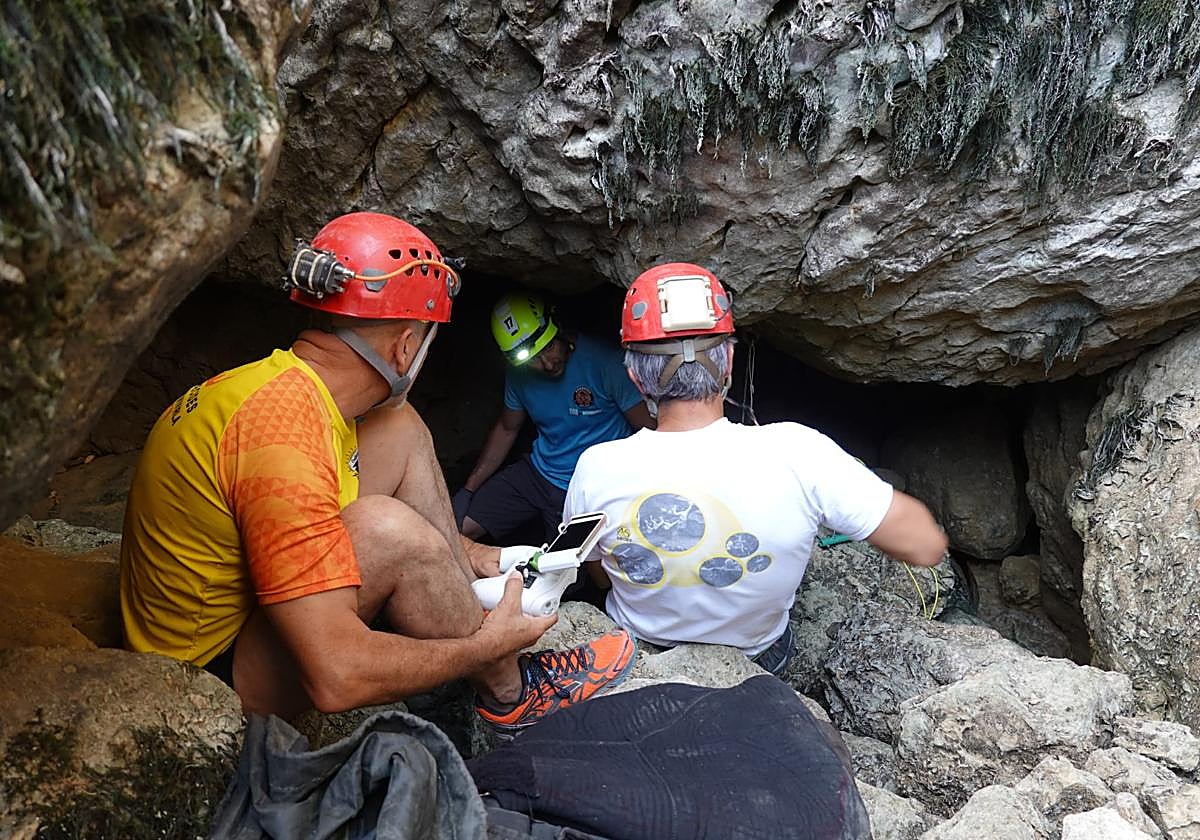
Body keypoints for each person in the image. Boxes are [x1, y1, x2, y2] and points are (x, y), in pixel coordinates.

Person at [119, 212, 635, 734]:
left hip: (234, 620)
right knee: (388, 530)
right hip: (207, 682)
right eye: (428, 341)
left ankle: (462, 583)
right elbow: (336, 678)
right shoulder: (283, 441)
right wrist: (484, 647)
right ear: (406, 347)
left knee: (398, 427)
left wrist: (478, 557)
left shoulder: (277, 389)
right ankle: (510, 691)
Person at [562, 262, 948, 676]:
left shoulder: (596, 468)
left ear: (635, 377)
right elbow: (924, 545)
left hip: (646, 655)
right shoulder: (799, 451)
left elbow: (597, 573)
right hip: (756, 658)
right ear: (728, 360)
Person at [452, 292, 652, 542]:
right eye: (533, 358)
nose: (547, 364)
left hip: (592, 487)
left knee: (568, 562)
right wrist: (469, 489)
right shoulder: (518, 374)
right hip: (540, 472)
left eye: (548, 347)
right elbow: (507, 428)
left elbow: (648, 430)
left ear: (559, 327)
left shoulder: (605, 362)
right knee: (456, 528)